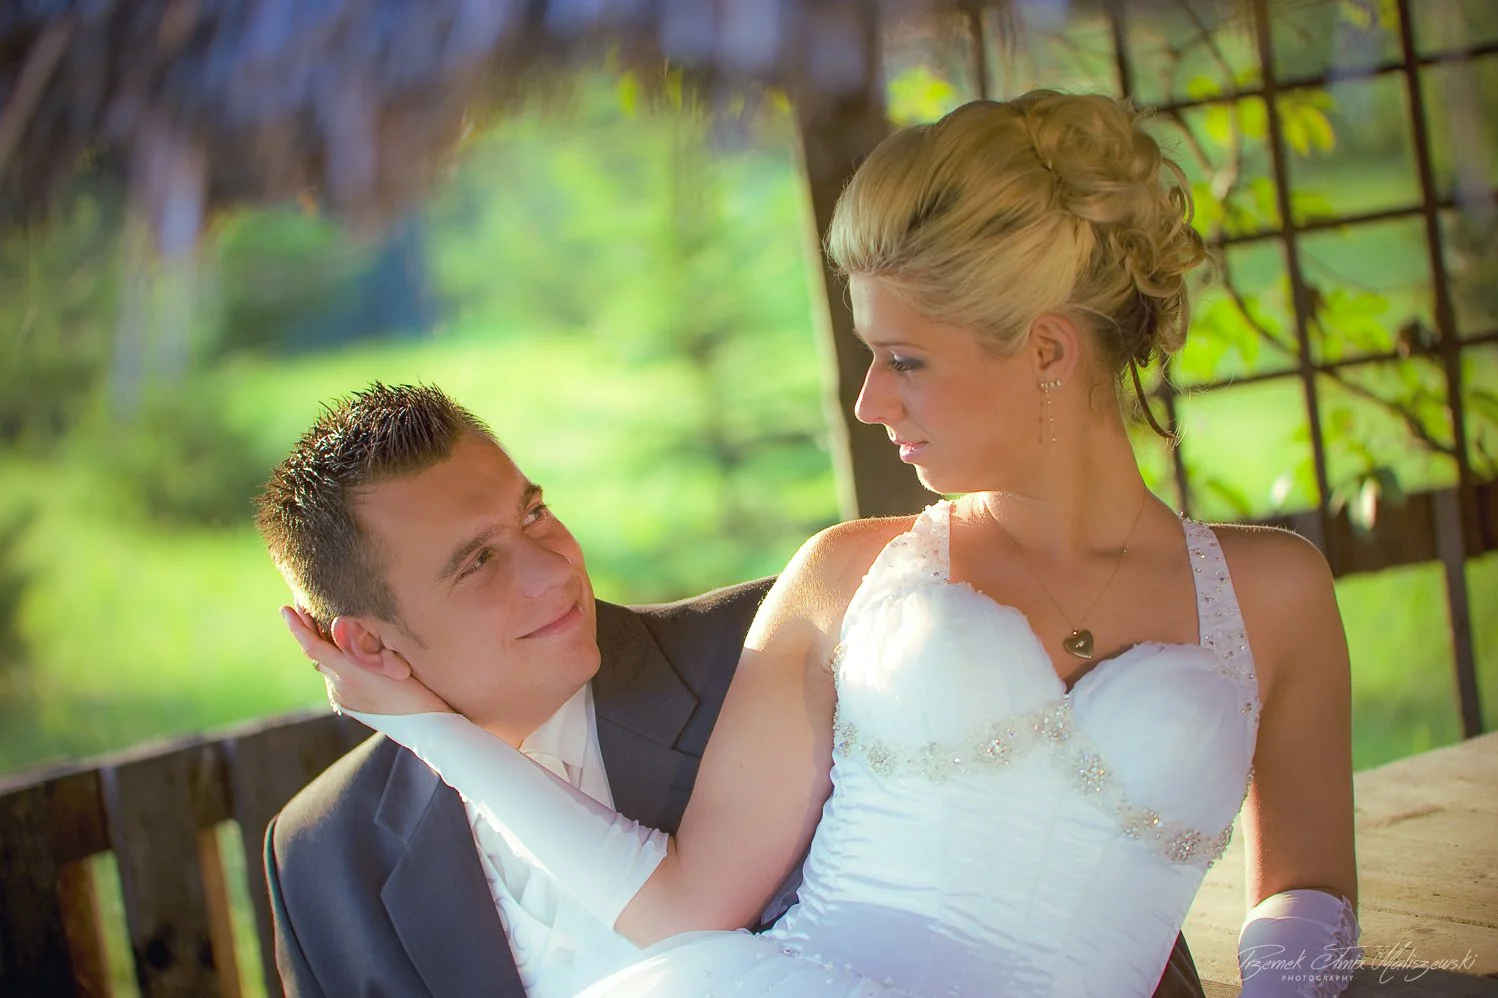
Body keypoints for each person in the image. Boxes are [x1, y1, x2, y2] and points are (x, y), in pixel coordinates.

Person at [301, 90, 1361, 997]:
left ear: (1044, 348)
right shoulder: (845, 578)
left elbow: (1306, 895)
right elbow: (682, 906)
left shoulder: (1275, 592)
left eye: (906, 358)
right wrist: (425, 726)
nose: (868, 399)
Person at [257, 382, 1206, 997]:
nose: (553, 571)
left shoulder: (780, 651)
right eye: (477, 563)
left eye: (535, 512)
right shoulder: (324, 858)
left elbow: (1084, 905)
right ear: (364, 644)